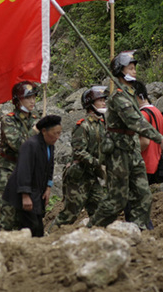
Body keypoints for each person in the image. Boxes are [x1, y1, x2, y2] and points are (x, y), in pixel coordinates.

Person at [87, 50, 163, 230]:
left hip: (132, 150)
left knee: (143, 194)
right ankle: (91, 229)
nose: (134, 71)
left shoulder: (130, 94)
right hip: (119, 153)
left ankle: (139, 229)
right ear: (120, 71)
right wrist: (160, 139)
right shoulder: (119, 97)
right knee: (117, 200)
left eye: (134, 68)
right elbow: (136, 122)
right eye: (130, 68)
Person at [55, 86, 107, 226]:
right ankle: (49, 235)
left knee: (101, 211)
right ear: (90, 104)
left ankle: (94, 236)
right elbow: (79, 152)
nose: (104, 103)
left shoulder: (101, 124)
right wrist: (97, 163)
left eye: (104, 100)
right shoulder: (82, 126)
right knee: (69, 215)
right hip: (78, 177)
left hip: (92, 175)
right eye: (100, 100)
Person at [0, 81, 40, 230]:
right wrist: (35, 131)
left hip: (28, 173)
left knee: (29, 220)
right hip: (8, 172)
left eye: (34, 97)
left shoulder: (35, 119)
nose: (32, 101)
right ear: (18, 100)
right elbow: (19, 146)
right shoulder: (8, 120)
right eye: (28, 98)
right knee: (6, 218)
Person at [2, 115, 61, 237]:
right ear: (44, 131)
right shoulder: (30, 145)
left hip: (37, 191)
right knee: (32, 227)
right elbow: (24, 170)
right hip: (24, 192)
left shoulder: (50, 145)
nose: (57, 137)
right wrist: (25, 195)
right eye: (54, 133)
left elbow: (50, 167)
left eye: (59, 133)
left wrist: (48, 187)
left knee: (37, 224)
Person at [134, 80, 163, 184]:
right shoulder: (156, 111)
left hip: (143, 163)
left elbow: (145, 142)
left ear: (137, 97)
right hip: (155, 163)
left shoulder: (142, 115)